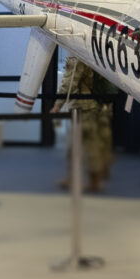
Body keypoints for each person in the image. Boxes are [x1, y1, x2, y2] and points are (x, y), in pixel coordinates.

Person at [58, 55, 115, 193]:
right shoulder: (100, 55)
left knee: (85, 145)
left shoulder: (78, 56)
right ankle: (91, 179)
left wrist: (57, 104)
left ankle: (92, 181)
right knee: (96, 143)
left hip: (84, 108)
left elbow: (69, 83)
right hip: (101, 106)